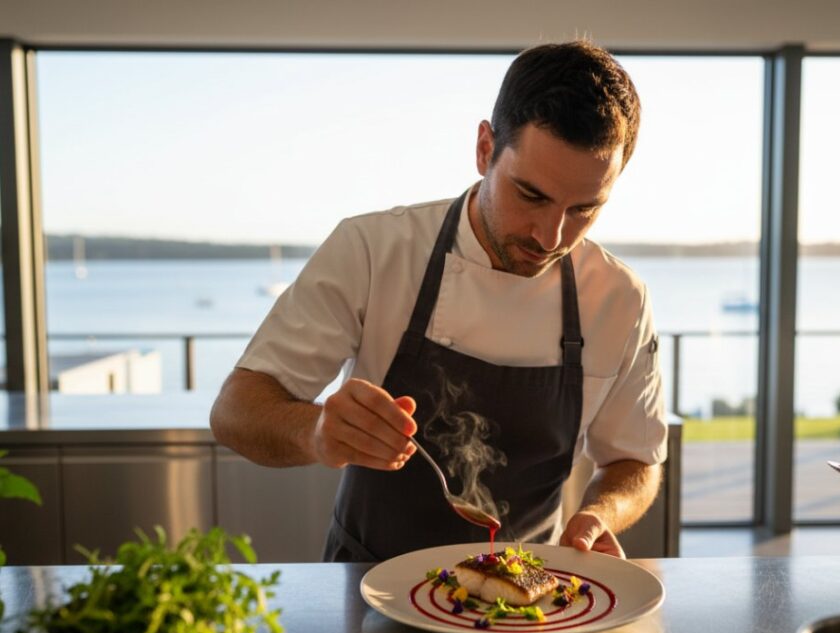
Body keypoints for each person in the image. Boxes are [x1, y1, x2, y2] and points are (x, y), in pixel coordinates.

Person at [210, 40, 667, 563]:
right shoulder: (373, 250)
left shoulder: (620, 299)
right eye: (531, 196)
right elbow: (235, 412)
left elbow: (636, 460)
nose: (550, 235)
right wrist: (316, 431)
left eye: (585, 209)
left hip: (531, 598)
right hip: (366, 589)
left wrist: (599, 514)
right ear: (484, 149)